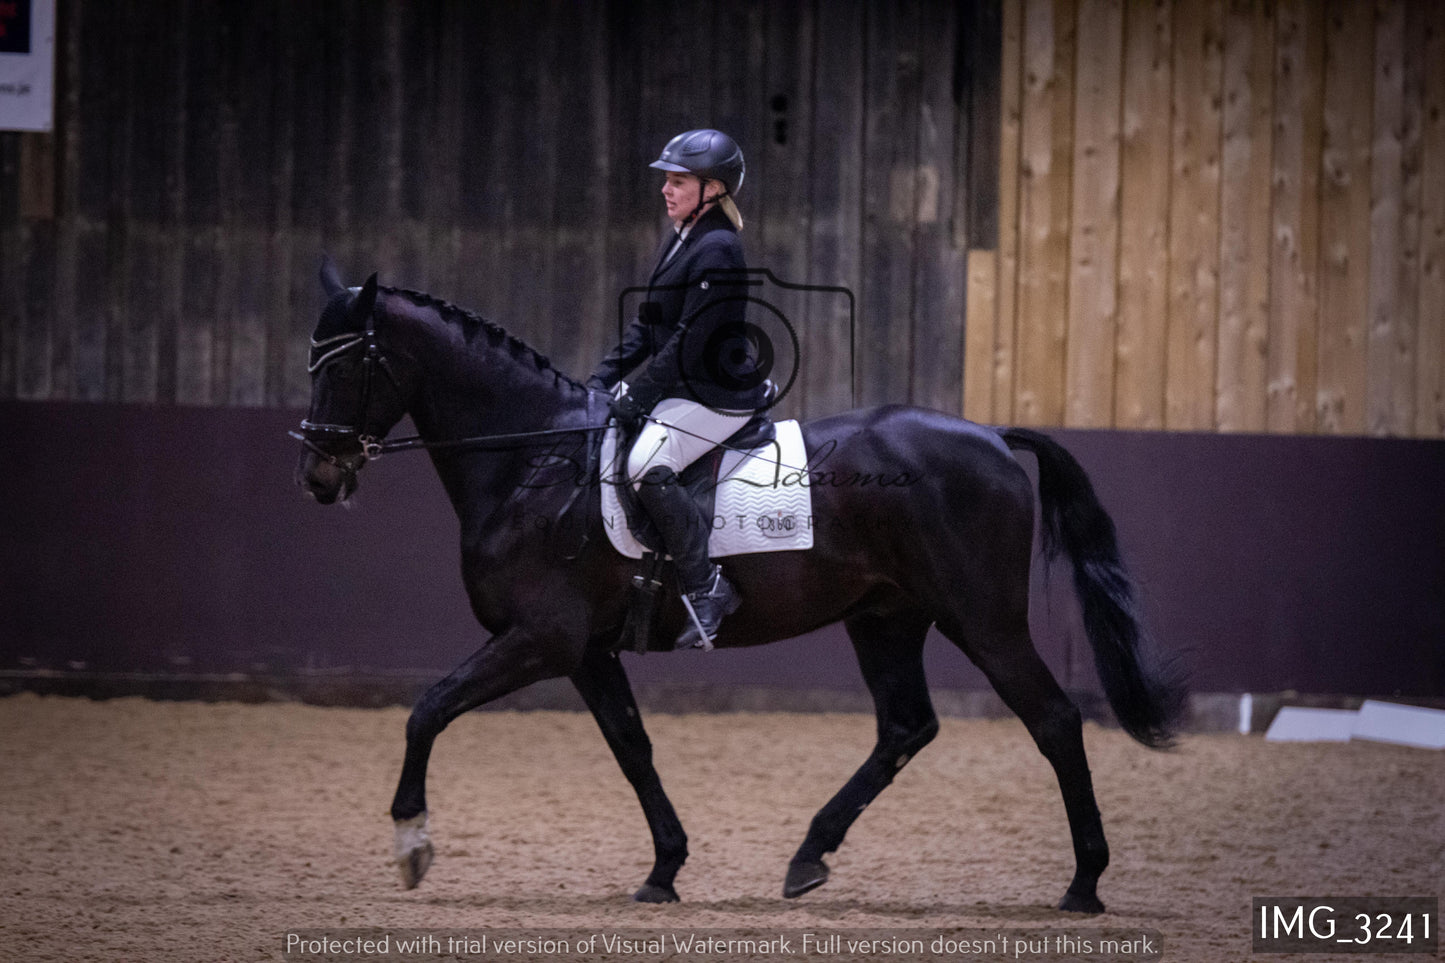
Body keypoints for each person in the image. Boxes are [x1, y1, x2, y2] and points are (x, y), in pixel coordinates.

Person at [586, 128, 764, 650]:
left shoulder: (718, 249)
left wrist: (635, 398)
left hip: (718, 396)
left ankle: (707, 587)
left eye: (679, 180)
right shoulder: (681, 236)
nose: (666, 188)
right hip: (684, 388)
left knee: (645, 466)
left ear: (713, 189)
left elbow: (689, 343)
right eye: (666, 178)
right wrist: (601, 381)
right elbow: (649, 325)